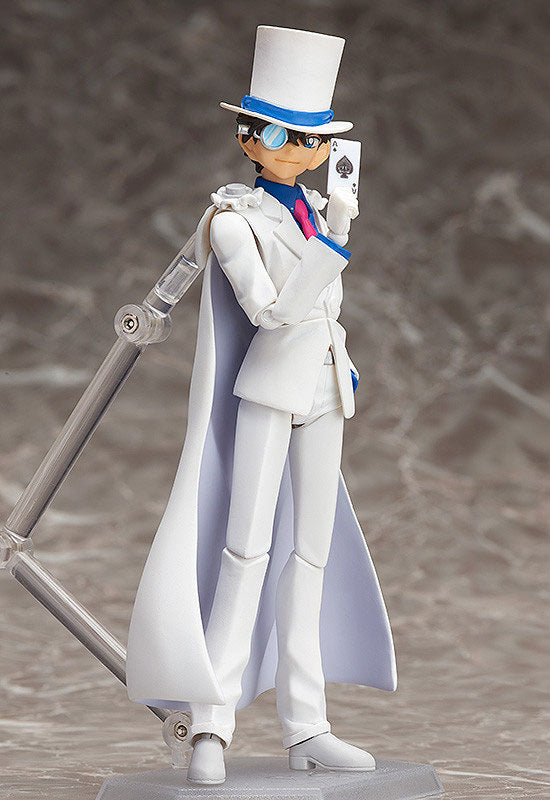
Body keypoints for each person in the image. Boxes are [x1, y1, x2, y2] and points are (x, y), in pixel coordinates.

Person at [126, 25, 396, 786]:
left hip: (324, 390)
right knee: (245, 554)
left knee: (310, 557)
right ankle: (212, 724)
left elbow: (323, 313)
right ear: (250, 137)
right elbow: (273, 312)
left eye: (312, 140)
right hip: (270, 389)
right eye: (281, 135)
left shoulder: (312, 208)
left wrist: (331, 234)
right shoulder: (232, 221)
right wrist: (335, 241)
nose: (297, 151)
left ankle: (307, 726)